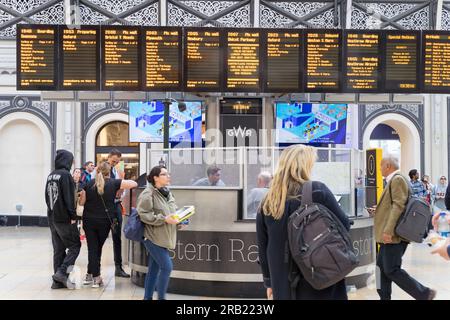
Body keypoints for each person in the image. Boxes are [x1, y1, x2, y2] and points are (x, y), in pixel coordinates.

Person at [256, 145, 351, 300]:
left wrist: (269, 283)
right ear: (305, 165)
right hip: (320, 275)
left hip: (283, 281)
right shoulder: (317, 191)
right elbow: (344, 226)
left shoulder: (268, 200)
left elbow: (263, 245)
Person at [368, 156, 436, 300]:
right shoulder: (395, 180)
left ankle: (424, 293)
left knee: (391, 269)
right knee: (381, 270)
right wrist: (379, 209)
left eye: (381, 166)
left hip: (393, 236)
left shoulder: (397, 179)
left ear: (388, 166)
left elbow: (398, 206)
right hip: (389, 235)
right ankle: (384, 297)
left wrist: (388, 231)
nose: (379, 169)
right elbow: (394, 204)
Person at [79, 161, 137, 287]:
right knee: (96, 248)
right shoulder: (113, 183)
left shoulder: (89, 183)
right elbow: (134, 184)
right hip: (104, 221)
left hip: (88, 220)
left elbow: (81, 203)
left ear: (97, 171)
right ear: (109, 172)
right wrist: (121, 178)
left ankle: (90, 275)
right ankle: (96, 278)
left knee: (93, 248)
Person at [137, 166, 182, 300]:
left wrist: (180, 221)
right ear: (155, 177)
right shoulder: (148, 193)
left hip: (164, 237)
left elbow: (173, 211)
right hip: (152, 237)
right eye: (164, 174)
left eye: (168, 174)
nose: (168, 176)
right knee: (167, 267)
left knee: (153, 270)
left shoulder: (168, 193)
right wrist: (164, 219)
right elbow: (143, 214)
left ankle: (147, 298)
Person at [45, 149, 81, 289]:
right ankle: (62, 273)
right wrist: (73, 216)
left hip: (52, 217)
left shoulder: (51, 175)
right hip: (64, 218)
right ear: (66, 160)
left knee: (58, 250)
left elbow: (47, 197)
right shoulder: (66, 175)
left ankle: (57, 282)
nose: (72, 164)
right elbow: (69, 198)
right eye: (71, 161)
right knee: (75, 246)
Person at [106, 149, 130, 278]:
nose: (114, 163)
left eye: (117, 161)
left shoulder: (116, 171)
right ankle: (93, 270)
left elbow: (123, 190)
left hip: (116, 206)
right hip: (104, 208)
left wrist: (121, 189)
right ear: (108, 157)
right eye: (113, 161)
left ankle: (118, 267)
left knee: (117, 238)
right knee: (99, 239)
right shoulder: (101, 170)